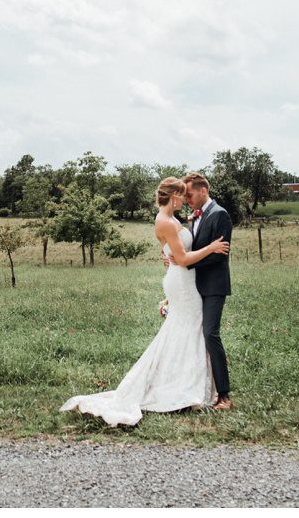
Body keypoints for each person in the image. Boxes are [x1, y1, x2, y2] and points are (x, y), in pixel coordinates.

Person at [60, 177, 229, 427]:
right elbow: (182, 258)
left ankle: (188, 383)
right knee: (188, 329)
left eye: (187, 195)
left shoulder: (173, 220)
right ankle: (182, 386)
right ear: (173, 197)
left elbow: (173, 251)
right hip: (183, 280)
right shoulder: (166, 221)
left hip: (185, 280)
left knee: (187, 330)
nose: (185, 200)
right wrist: (211, 248)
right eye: (182, 196)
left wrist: (170, 254)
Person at [178, 172, 234, 411]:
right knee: (193, 336)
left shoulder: (220, 214)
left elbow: (217, 255)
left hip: (213, 286)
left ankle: (224, 395)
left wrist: (186, 262)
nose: (187, 199)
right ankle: (196, 388)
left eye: (189, 194)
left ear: (203, 191)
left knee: (211, 334)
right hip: (194, 286)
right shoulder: (196, 217)